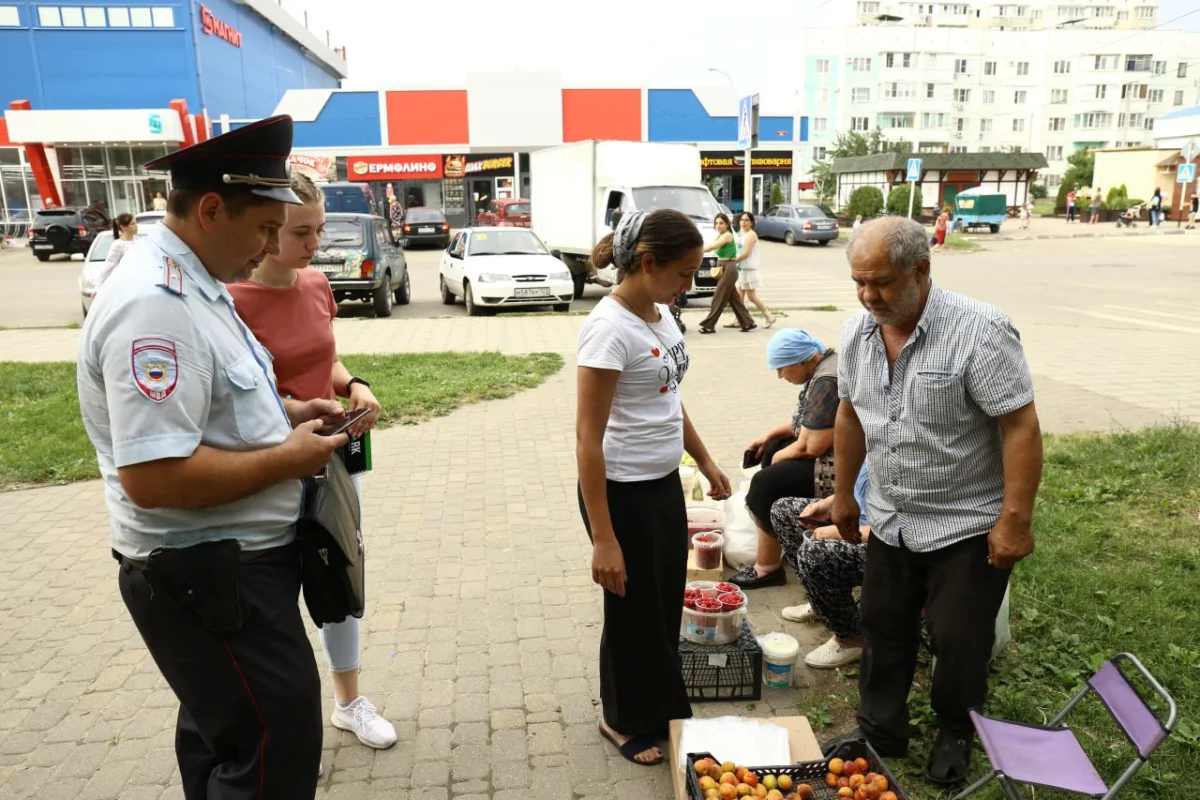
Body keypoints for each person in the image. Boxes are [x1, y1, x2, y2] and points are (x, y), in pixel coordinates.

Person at [76, 115, 347, 799]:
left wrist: (287, 415)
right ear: (210, 209)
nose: (269, 247)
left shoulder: (195, 281)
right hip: (210, 575)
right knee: (270, 752)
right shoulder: (155, 305)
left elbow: (210, 408)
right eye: (263, 228)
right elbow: (155, 476)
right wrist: (286, 459)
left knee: (222, 735)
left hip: (224, 571)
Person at [826, 217, 1043, 786]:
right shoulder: (856, 333)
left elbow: (1020, 426)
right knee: (883, 626)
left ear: (922, 271)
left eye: (882, 283)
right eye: (859, 282)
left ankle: (954, 729)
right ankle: (879, 730)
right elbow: (849, 413)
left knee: (960, 639)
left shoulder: (979, 329)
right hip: (892, 516)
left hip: (965, 522)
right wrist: (844, 494)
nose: (869, 296)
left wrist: (1014, 521)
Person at [229, 173, 397, 751]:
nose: (314, 243)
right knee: (274, 601)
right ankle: (285, 728)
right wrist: (292, 410)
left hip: (331, 460)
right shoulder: (231, 299)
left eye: (320, 229)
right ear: (267, 230)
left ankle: (349, 703)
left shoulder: (318, 282)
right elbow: (232, 393)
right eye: (302, 231)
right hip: (269, 468)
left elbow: (324, 356)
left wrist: (356, 385)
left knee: (338, 578)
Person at [576, 208, 732, 766]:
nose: (690, 284)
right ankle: (619, 720)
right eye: (685, 272)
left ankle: (660, 705)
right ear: (647, 264)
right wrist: (603, 538)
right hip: (619, 492)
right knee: (630, 610)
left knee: (662, 604)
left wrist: (705, 460)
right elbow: (587, 441)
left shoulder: (661, 314)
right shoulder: (607, 329)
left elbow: (668, 394)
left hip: (661, 481)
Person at [729, 329, 838, 591]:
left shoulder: (827, 382)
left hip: (845, 467)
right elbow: (804, 424)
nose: (779, 376)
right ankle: (780, 535)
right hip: (834, 451)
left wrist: (779, 457)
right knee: (771, 451)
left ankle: (767, 569)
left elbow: (812, 446)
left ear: (803, 361)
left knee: (765, 485)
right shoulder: (824, 366)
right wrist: (768, 438)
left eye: (782, 369)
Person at [769, 463, 871, 669]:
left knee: (814, 553)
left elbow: (909, 529)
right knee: (785, 511)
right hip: (859, 520)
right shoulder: (882, 435)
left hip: (888, 545)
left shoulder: (920, 451)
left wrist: (847, 532)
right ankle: (822, 604)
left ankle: (851, 639)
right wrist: (832, 503)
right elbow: (867, 486)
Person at [698, 212, 755, 334]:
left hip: (729, 267)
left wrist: (696, 251)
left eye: (721, 223)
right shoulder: (720, 235)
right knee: (734, 298)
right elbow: (713, 245)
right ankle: (748, 322)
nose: (718, 225)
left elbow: (713, 246)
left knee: (719, 296)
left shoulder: (727, 235)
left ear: (727, 224)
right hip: (722, 267)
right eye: (716, 223)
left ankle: (709, 325)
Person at [730, 212, 776, 328]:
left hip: (749, 270)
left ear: (751, 222)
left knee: (751, 297)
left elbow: (746, 253)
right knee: (739, 297)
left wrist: (735, 260)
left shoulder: (751, 235)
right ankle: (737, 319)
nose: (743, 222)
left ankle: (769, 316)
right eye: (742, 220)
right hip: (742, 269)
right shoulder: (742, 234)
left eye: (746, 220)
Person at [96, 212, 138, 289]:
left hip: (137, 282)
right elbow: (109, 266)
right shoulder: (118, 245)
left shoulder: (137, 241)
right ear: (123, 227)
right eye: (133, 224)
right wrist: (98, 287)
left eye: (136, 223)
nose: (136, 226)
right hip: (125, 284)